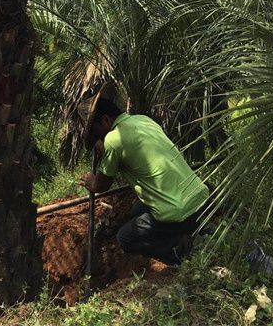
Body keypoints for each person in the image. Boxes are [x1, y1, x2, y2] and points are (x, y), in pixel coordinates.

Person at [78, 83, 209, 265]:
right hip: (202, 200)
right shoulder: (142, 119)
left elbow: (101, 185)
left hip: (178, 212)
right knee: (137, 210)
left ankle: (182, 252)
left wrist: (90, 180)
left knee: (125, 238)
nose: (97, 137)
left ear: (106, 120)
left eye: (95, 131)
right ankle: (189, 230)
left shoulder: (113, 140)